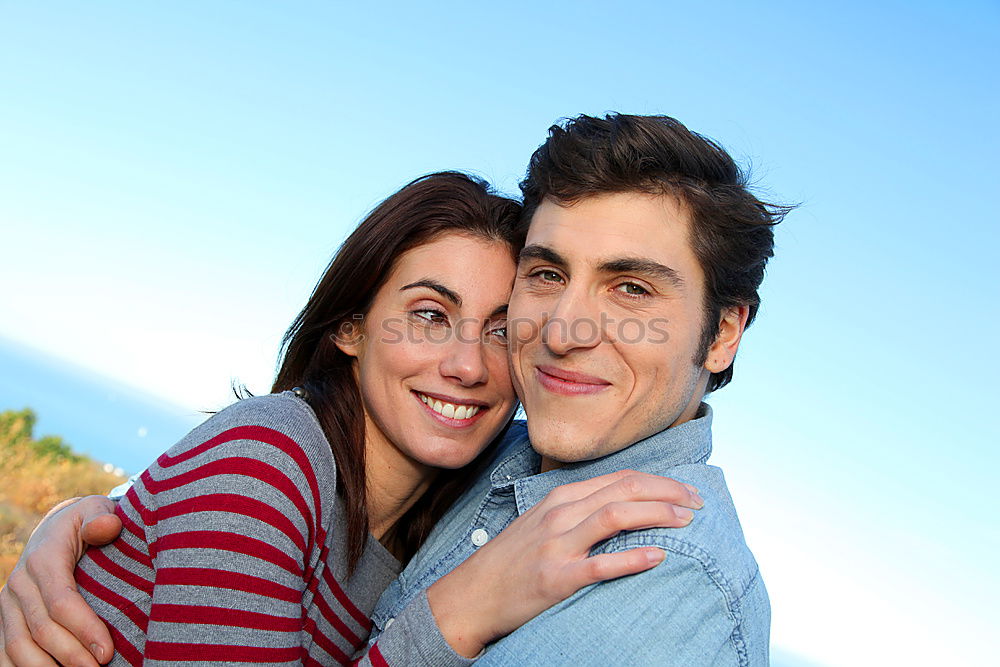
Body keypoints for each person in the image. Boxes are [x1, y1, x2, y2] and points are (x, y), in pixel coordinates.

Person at [4, 113, 788, 665]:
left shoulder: (663, 584)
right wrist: (82, 530)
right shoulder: (488, 470)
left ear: (723, 331)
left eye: (632, 289)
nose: (563, 329)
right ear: (349, 325)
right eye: (547, 275)